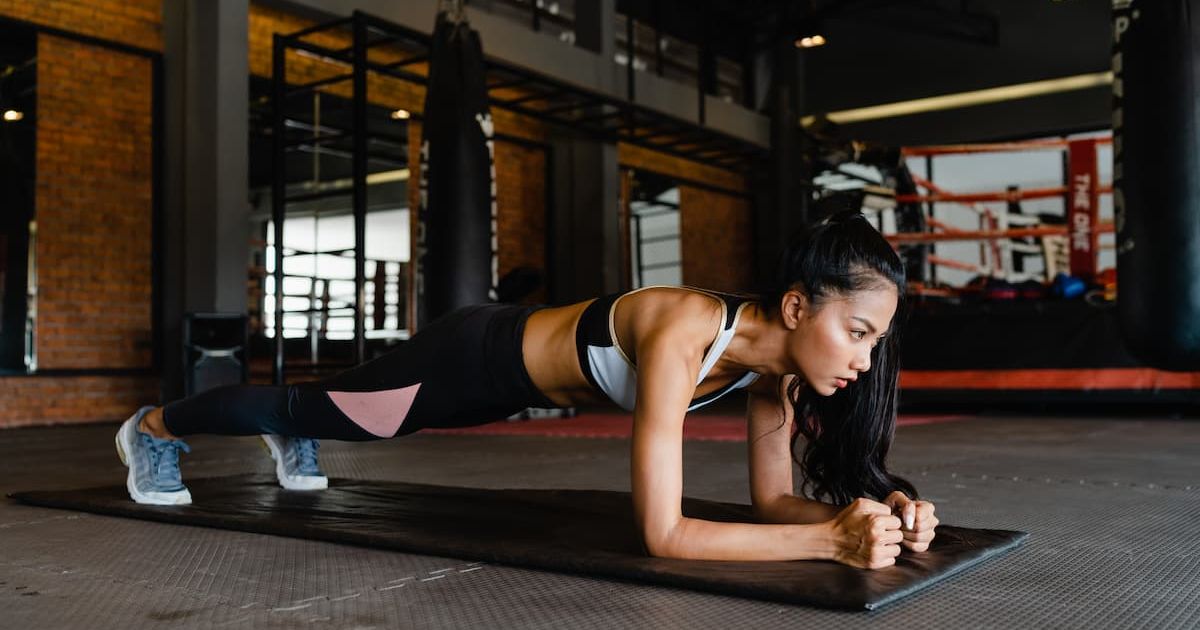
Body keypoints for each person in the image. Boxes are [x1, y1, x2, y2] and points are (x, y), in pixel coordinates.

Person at [115, 210, 937, 569]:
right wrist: (831, 544)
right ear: (797, 307)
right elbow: (665, 534)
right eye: (859, 333)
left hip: (510, 388)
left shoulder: (775, 377)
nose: (865, 362)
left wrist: (867, 516)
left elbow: (770, 509)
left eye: (876, 341)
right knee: (326, 411)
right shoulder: (686, 329)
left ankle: (297, 432)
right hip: (472, 355)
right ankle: (153, 428)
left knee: (349, 416)